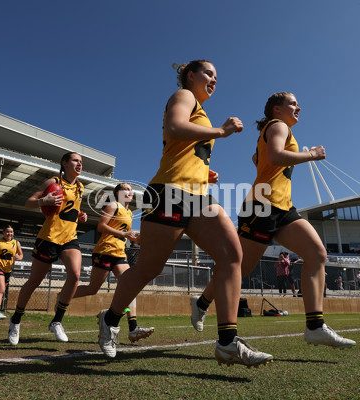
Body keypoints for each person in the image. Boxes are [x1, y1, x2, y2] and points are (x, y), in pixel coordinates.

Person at [95, 60, 272, 367]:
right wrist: (221, 131)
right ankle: (110, 320)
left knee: (233, 255)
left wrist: (205, 172)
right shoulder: (184, 96)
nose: (214, 80)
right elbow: (176, 127)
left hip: (197, 194)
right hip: (168, 191)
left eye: (217, 76)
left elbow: (184, 150)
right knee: (148, 270)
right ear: (191, 76)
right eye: (209, 74)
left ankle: (228, 342)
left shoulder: (200, 110)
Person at [193, 92, 355, 349]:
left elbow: (260, 159)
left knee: (317, 254)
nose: (299, 107)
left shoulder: (278, 129)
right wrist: (311, 155)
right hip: (261, 206)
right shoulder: (278, 125)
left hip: (283, 208)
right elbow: (275, 156)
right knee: (240, 268)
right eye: (293, 103)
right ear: (277, 109)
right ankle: (202, 302)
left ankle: (315, 326)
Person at [7, 152, 87, 345]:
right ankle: (15, 320)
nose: (79, 164)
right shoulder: (53, 181)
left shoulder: (80, 187)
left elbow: (68, 211)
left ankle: (57, 321)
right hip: (49, 238)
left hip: (70, 238)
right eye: (76, 160)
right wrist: (44, 201)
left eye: (81, 162)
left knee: (75, 275)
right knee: (34, 281)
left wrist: (79, 216)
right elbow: (28, 203)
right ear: (65, 163)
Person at [64, 182, 154, 342]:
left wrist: (137, 238)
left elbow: (125, 234)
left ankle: (133, 329)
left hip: (120, 253)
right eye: (126, 189)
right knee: (93, 289)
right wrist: (125, 234)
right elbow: (101, 226)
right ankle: (62, 297)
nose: (130, 192)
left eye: (131, 190)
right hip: (105, 251)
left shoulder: (130, 213)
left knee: (130, 285)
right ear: (118, 193)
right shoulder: (114, 206)